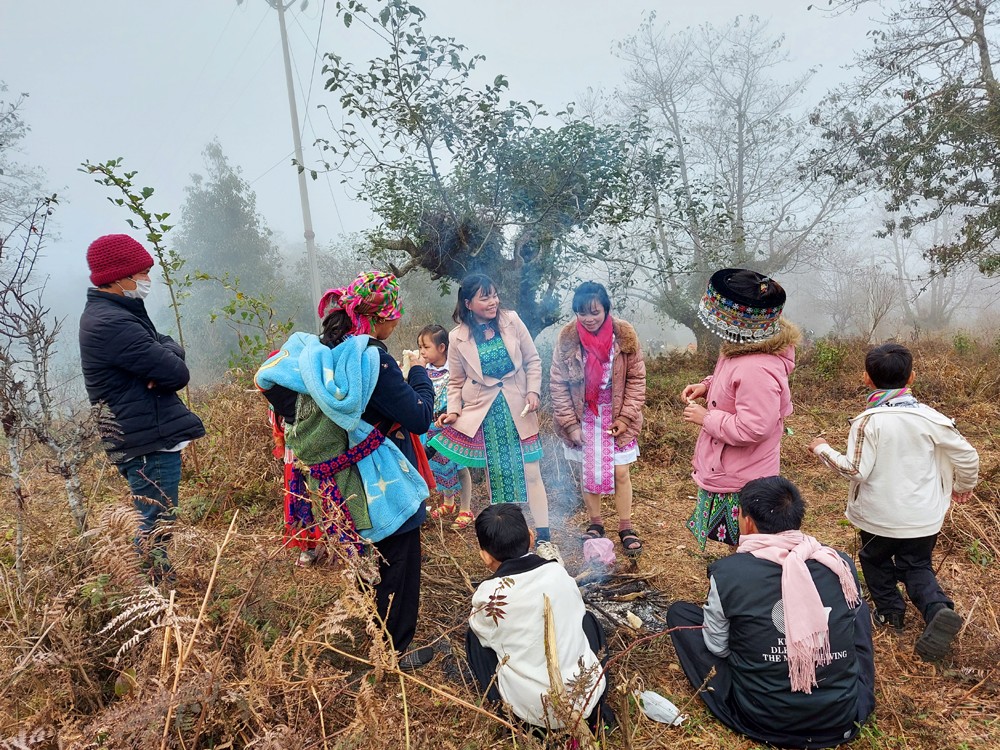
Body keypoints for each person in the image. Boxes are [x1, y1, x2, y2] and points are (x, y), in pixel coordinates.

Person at [256, 272, 436, 668]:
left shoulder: (320, 353)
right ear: (380, 317)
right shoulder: (373, 360)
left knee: (366, 556)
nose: (398, 323)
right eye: (394, 315)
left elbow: (276, 389)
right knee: (399, 558)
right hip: (382, 477)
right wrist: (419, 375)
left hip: (340, 476)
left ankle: (370, 634)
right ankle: (393, 653)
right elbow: (420, 416)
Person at [667, 476, 875, 749]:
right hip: (842, 716)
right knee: (856, 612)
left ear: (748, 521)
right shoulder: (838, 563)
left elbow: (717, 648)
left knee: (680, 614)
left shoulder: (730, 572)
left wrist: (759, 646)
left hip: (761, 719)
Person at [809, 342, 979, 661]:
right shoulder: (932, 418)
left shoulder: (867, 422)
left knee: (875, 561)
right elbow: (968, 455)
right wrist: (963, 485)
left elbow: (854, 469)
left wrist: (822, 448)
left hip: (878, 517)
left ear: (866, 378)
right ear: (911, 377)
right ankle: (937, 609)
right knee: (917, 566)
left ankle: (890, 614)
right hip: (924, 518)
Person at [79, 234, 205, 582]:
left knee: (155, 518)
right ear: (119, 276)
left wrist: (165, 352)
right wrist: (165, 360)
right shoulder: (111, 323)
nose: (147, 279)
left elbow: (166, 349)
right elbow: (177, 373)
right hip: (147, 439)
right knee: (155, 523)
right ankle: (155, 597)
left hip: (145, 433)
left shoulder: (117, 313)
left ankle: (157, 590)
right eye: (143, 272)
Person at [429, 274, 560, 562]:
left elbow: (532, 360)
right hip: (484, 413)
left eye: (495, 295)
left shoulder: (511, 320)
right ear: (468, 303)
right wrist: (454, 411)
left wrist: (533, 392)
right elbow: (455, 381)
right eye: (485, 297)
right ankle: (509, 547)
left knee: (531, 473)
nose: (493, 301)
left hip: (518, 408)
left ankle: (544, 540)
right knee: (497, 479)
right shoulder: (456, 336)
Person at [680, 268, 800, 550]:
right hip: (733, 468)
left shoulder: (756, 367)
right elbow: (734, 384)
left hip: (745, 476)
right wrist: (707, 386)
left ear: (737, 321)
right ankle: (740, 579)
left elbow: (754, 426)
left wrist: (706, 418)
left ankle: (746, 584)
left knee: (749, 543)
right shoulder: (742, 347)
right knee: (740, 543)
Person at [466, 504, 614, 733]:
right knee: (588, 620)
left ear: (484, 556)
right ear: (532, 537)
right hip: (584, 697)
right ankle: (591, 709)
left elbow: (486, 637)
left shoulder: (489, 596)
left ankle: (501, 705)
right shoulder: (559, 573)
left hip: (532, 711)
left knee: (474, 637)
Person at [550, 281, 646, 557]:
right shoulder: (568, 340)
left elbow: (636, 379)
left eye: (595, 312)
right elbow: (557, 385)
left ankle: (626, 526)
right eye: (582, 313)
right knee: (588, 470)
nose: (589, 319)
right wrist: (570, 424)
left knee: (620, 471)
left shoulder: (624, 337)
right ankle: (596, 524)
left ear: (606, 309)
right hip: (584, 415)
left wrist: (626, 418)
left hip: (616, 415)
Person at [408, 325, 474, 530]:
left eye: (426, 347)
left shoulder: (454, 371)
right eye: (420, 347)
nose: (422, 352)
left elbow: (462, 397)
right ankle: (448, 503)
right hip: (428, 426)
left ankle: (466, 509)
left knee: (458, 465)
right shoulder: (422, 371)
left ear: (442, 347)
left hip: (450, 426)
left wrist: (451, 414)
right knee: (437, 464)